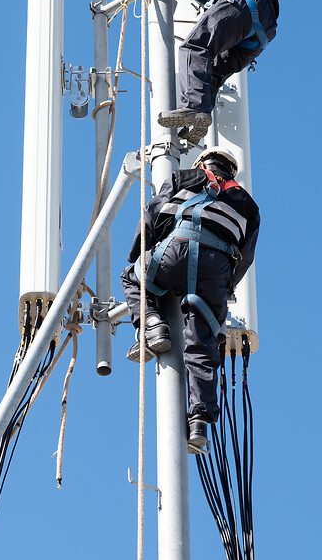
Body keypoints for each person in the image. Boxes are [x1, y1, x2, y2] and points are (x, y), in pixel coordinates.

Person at [119, 147, 261, 453]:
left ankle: (154, 326)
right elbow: (246, 257)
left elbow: (152, 213)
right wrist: (225, 288)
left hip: (178, 248)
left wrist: (137, 256)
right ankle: (198, 421)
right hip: (217, 269)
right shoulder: (249, 205)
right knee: (202, 340)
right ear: (231, 173)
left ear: (202, 163)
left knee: (133, 277)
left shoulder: (185, 176)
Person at [123, 0, 280, 143]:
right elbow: (221, 2)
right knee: (211, 72)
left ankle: (194, 109)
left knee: (195, 47)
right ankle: (199, 120)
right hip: (260, 32)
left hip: (245, 3)